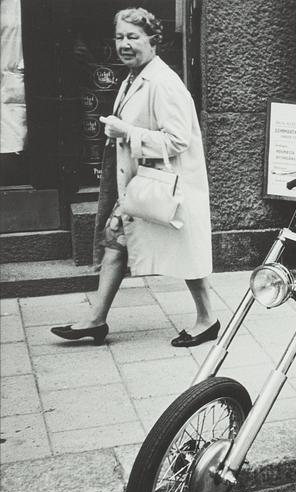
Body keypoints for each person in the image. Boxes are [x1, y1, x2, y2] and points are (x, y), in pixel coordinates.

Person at [51, 8, 219, 348]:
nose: (124, 44)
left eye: (133, 37)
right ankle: (96, 319)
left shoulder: (163, 82)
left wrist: (125, 130)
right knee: (115, 240)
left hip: (167, 186)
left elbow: (176, 141)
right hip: (143, 183)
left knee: (189, 256)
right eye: (119, 37)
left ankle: (208, 319)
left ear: (153, 40)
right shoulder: (135, 76)